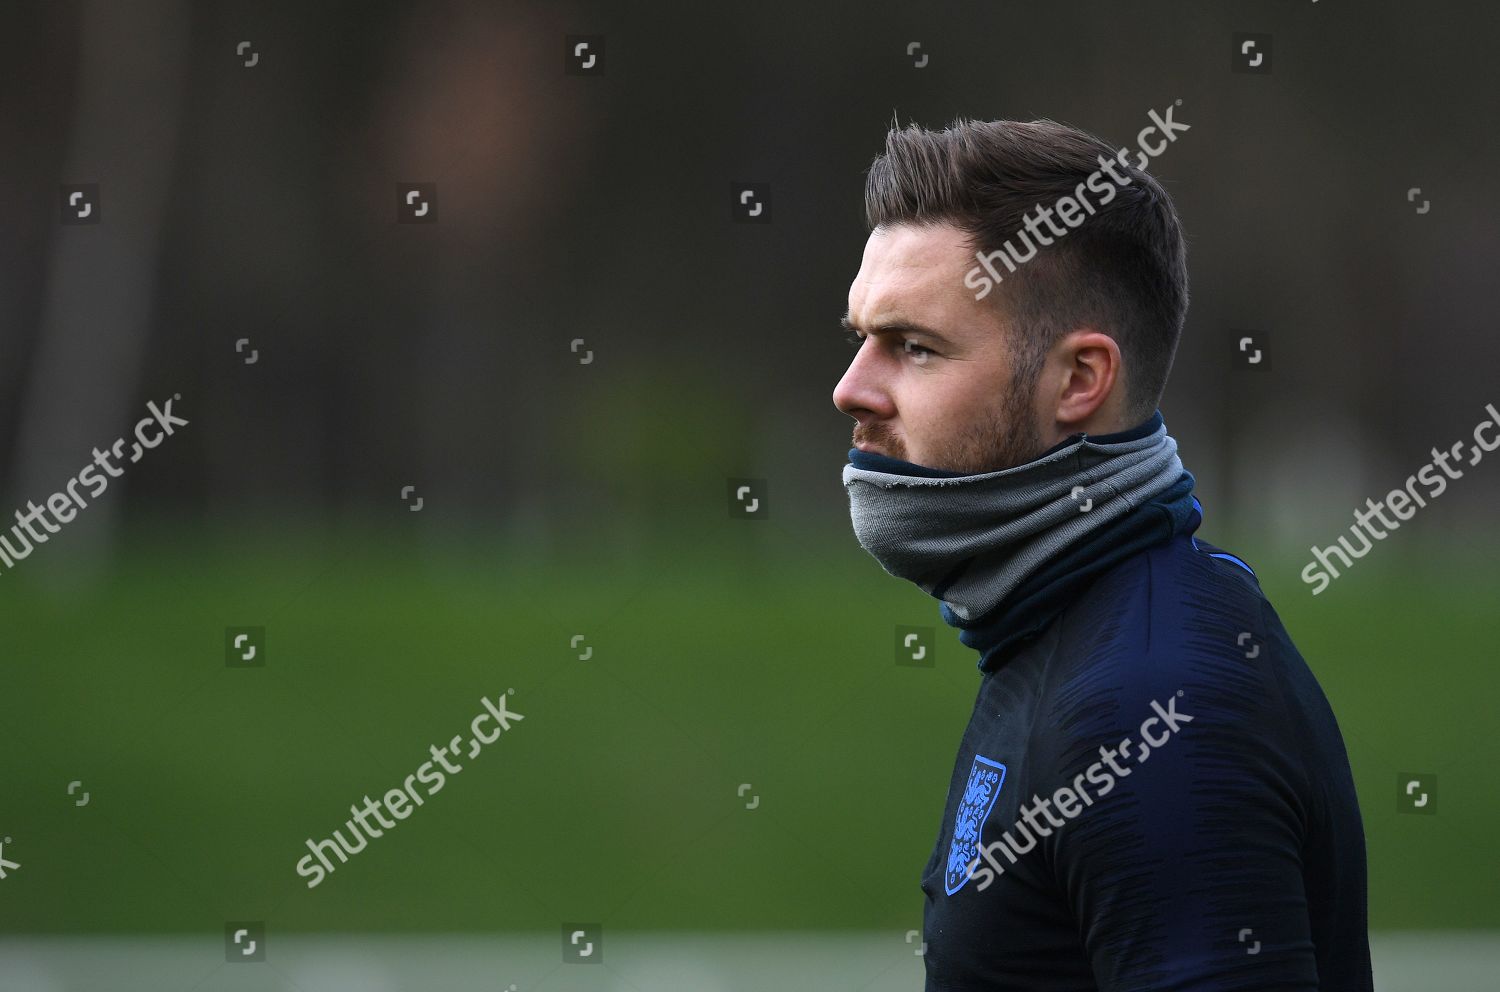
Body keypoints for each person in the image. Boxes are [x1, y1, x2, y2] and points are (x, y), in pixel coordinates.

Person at [833, 116, 1373, 991]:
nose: (850, 388)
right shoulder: (1064, 629)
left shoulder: (1152, 701)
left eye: (913, 347)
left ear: (1080, 380)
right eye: (859, 337)